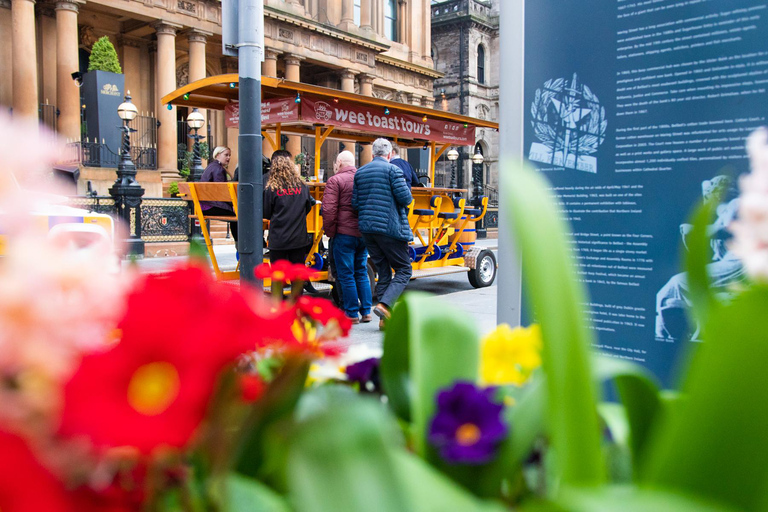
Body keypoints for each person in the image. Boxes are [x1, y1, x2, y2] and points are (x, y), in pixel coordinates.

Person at [352, 138, 413, 330]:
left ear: (372, 154)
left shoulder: (360, 172)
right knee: (404, 269)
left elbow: (355, 204)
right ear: (389, 154)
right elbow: (406, 198)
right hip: (390, 228)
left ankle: (384, 321)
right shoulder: (394, 170)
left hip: (368, 229)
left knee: (384, 271)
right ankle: (385, 305)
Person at [323, 150, 372, 324]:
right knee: (361, 271)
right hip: (362, 233)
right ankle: (366, 311)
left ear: (339, 163)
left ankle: (351, 313)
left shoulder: (335, 180)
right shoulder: (364, 179)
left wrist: (330, 232)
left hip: (343, 234)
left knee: (346, 274)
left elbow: (328, 210)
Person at [263, 150, 314, 265]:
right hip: (299, 237)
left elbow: (266, 213)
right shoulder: (302, 186)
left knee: (278, 277)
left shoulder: (271, 187)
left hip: (278, 238)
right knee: (297, 276)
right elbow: (308, 207)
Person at [200, 146, 237, 244]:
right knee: (239, 215)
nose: (228, 158)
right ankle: (239, 243)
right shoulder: (219, 169)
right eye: (226, 155)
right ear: (217, 155)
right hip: (211, 205)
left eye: (229, 155)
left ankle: (238, 243)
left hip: (204, 205)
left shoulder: (211, 166)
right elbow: (222, 193)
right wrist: (233, 205)